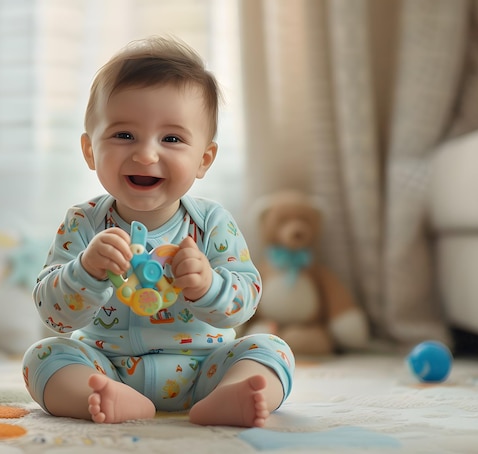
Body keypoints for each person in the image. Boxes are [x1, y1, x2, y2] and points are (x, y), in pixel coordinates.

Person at [22, 36, 294, 428]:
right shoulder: (83, 223)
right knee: (44, 357)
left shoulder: (211, 223)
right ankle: (101, 397)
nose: (146, 154)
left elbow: (247, 299)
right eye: (124, 135)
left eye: (171, 139)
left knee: (272, 350)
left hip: (205, 368)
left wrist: (208, 285)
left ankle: (233, 395)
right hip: (108, 366)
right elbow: (54, 315)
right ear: (89, 150)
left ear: (203, 159)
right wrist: (84, 271)